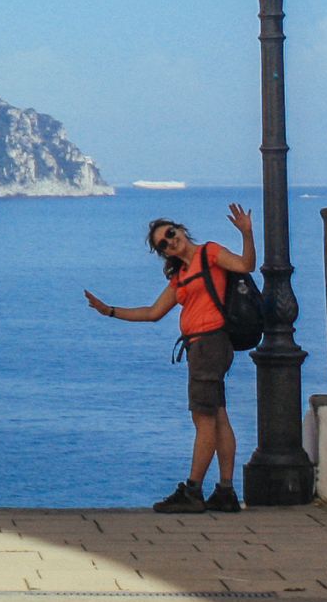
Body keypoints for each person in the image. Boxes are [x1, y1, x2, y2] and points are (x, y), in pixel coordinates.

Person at [84, 205, 256, 513]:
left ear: (181, 230)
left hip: (210, 345)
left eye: (170, 234)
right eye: (162, 244)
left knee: (203, 420)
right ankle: (226, 491)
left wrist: (246, 232)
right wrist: (108, 310)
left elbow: (245, 265)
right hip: (201, 348)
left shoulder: (210, 254)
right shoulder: (181, 277)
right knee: (217, 416)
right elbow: (152, 313)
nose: (169, 242)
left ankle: (193, 491)